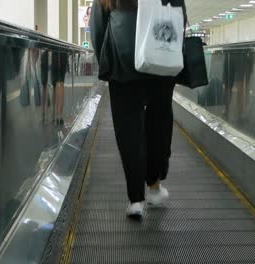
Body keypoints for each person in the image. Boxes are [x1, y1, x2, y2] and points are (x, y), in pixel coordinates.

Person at [90, 0, 187, 219]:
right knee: (159, 122)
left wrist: (106, 61)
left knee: (128, 130)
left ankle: (136, 200)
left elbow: (97, 28)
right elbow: (180, 18)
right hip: (160, 58)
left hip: (123, 62)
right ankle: (154, 187)